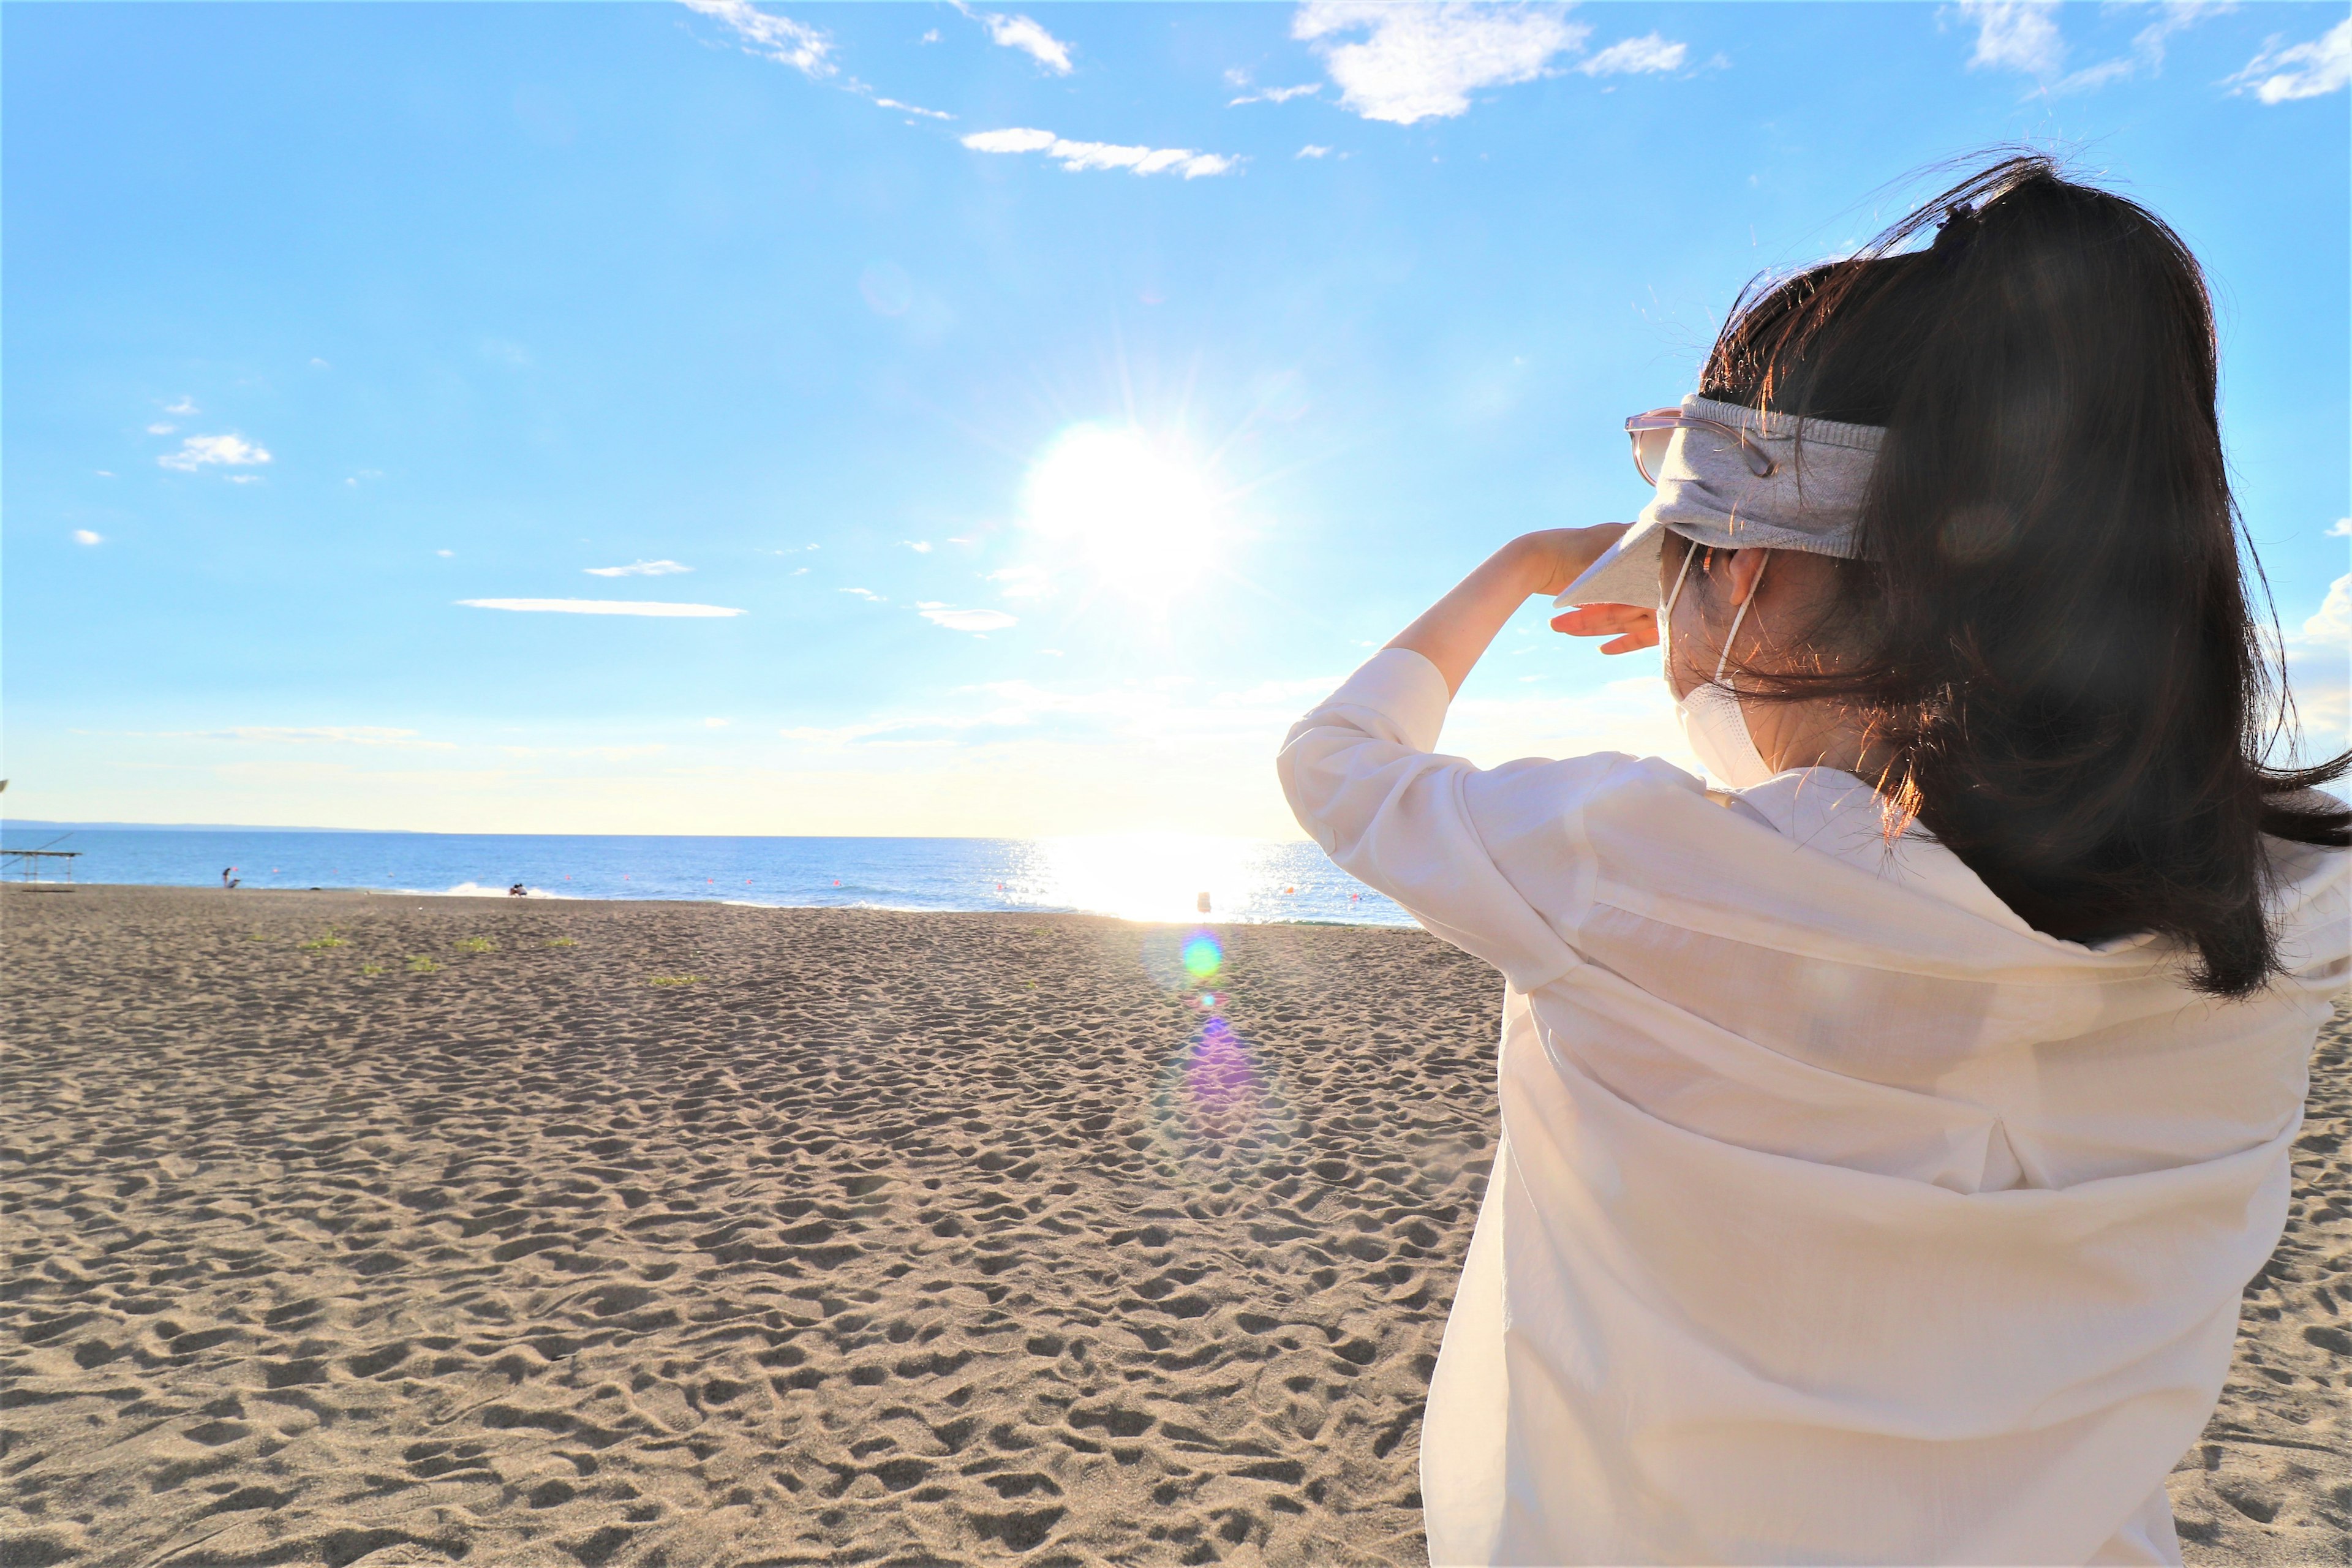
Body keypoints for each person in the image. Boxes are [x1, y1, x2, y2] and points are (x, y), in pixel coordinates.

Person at [1278, 157, 2349, 1566]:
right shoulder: (2297, 909)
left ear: (1758, 573)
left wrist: (1525, 561)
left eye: (1690, 552)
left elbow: (1337, 765)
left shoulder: (1628, 877)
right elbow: (1889, 827)